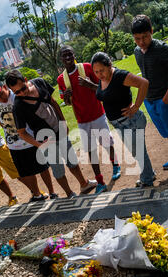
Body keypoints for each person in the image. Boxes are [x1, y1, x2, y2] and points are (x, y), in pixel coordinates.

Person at [5, 70, 97, 198]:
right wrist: (39, 145)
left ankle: (84, 184)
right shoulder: (18, 106)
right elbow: (22, 133)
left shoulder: (39, 82)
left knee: (72, 161)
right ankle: (69, 193)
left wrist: (63, 121)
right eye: (16, 92)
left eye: (23, 88)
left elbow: (53, 102)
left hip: (59, 130)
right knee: (58, 169)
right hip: (45, 140)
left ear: (26, 80)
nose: (21, 93)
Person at [57, 45, 121, 194]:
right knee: (91, 150)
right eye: (64, 56)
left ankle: (115, 165)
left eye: (69, 54)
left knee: (106, 143)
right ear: (61, 59)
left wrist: (88, 84)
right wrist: (66, 97)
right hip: (82, 119)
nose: (67, 58)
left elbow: (101, 86)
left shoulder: (86, 67)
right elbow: (66, 102)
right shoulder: (62, 79)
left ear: (74, 54)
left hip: (97, 113)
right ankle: (99, 181)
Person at [132, 14, 168, 182]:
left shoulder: (163, 48)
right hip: (150, 101)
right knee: (166, 132)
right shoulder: (137, 52)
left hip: (165, 99)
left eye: (145, 37)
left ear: (151, 32)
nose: (141, 42)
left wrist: (166, 98)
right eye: (137, 39)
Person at [0, 78, 58, 201]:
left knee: (43, 167)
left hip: (31, 138)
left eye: (1, 94)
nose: (0, 99)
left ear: (5, 87)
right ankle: (37, 194)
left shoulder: (17, 95)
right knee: (26, 171)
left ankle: (52, 192)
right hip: (14, 143)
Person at [91, 52, 155, 188]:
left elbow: (144, 83)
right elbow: (105, 94)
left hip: (130, 121)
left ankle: (147, 179)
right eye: (96, 72)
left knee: (138, 151)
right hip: (119, 124)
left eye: (101, 70)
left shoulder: (120, 76)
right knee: (137, 151)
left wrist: (136, 106)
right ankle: (148, 174)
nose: (99, 74)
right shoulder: (102, 79)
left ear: (109, 65)